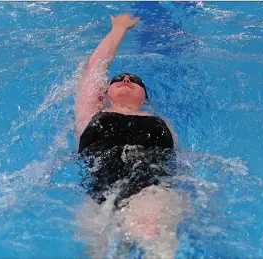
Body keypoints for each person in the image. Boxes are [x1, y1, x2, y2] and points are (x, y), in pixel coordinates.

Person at [74, 13, 185, 258]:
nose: (126, 78)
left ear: (145, 97)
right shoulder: (90, 113)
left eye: (134, 80)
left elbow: (177, 162)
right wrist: (119, 29)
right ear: (105, 93)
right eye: (119, 79)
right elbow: (95, 69)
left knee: (154, 238)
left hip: (152, 192)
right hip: (99, 196)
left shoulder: (160, 121)